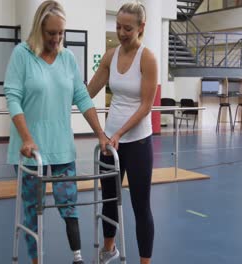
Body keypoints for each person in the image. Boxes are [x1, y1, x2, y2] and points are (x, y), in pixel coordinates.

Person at [4, 1, 109, 264]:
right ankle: (35, 260)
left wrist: (100, 134)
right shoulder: (22, 55)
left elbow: (83, 98)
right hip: (31, 150)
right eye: (51, 33)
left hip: (62, 147)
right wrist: (27, 137)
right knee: (32, 210)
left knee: (69, 204)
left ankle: (77, 257)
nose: (57, 39)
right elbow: (13, 98)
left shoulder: (68, 58)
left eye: (61, 33)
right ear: (39, 29)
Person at [87, 2, 157, 264]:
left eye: (128, 28)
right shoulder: (110, 56)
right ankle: (109, 249)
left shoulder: (147, 58)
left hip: (137, 141)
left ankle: (144, 261)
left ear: (141, 27)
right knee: (109, 200)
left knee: (141, 207)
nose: (122, 32)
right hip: (110, 141)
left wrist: (120, 133)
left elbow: (146, 106)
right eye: (118, 27)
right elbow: (89, 92)